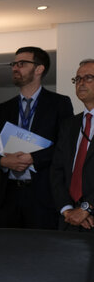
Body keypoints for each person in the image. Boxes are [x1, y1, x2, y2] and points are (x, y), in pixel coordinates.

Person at [0, 47, 73, 229]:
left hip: (43, 197)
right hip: (8, 197)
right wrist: (4, 161)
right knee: (8, 253)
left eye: (21, 64)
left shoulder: (60, 104)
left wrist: (33, 158)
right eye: (14, 64)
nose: (14, 68)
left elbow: (65, 147)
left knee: (41, 254)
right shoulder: (5, 107)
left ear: (39, 69)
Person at [50, 59, 94, 231]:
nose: (81, 83)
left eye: (88, 77)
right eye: (78, 79)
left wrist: (87, 208)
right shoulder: (69, 125)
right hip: (69, 221)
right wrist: (67, 210)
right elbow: (57, 171)